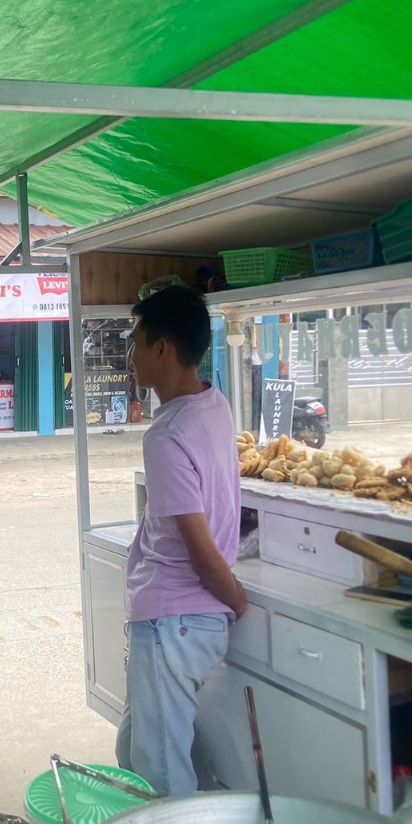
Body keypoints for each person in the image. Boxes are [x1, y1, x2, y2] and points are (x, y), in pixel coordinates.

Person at [115, 284, 248, 796]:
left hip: (174, 620)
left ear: (163, 349)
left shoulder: (166, 437)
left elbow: (202, 554)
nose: (131, 356)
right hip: (179, 620)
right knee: (134, 751)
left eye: (136, 343)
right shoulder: (215, 405)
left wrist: (236, 600)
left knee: (161, 776)